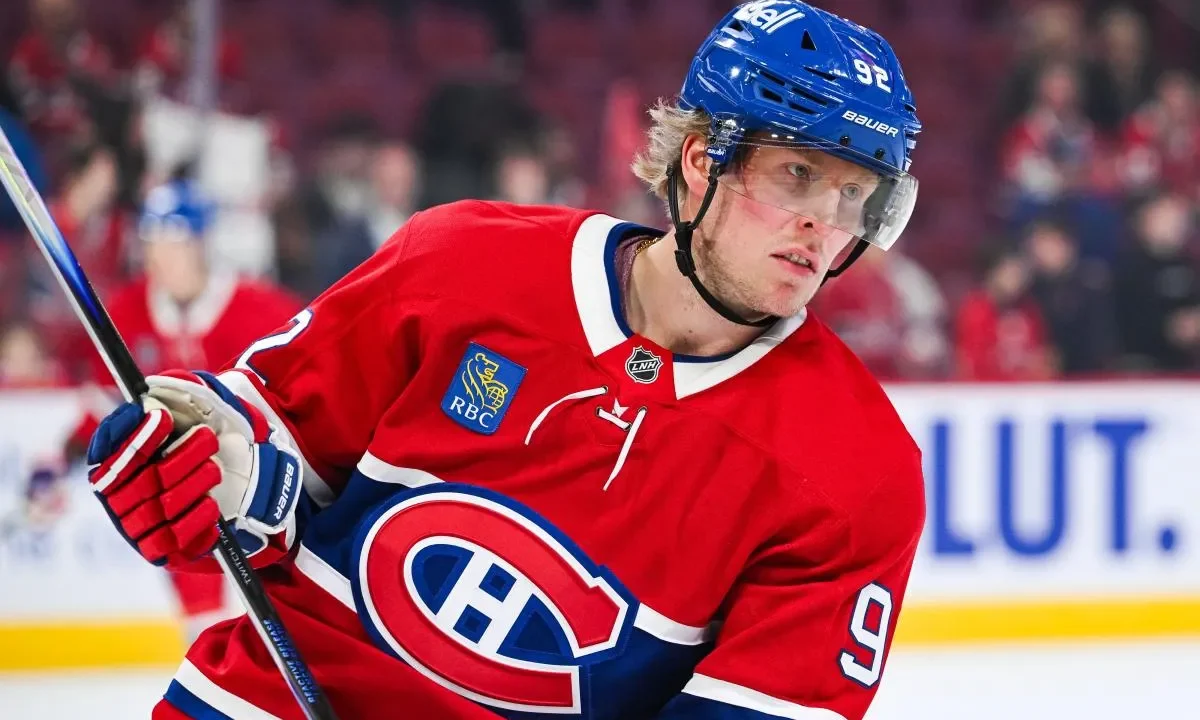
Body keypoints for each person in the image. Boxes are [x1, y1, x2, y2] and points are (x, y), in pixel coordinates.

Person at [85, 3, 925, 718]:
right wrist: (198, 456)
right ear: (703, 161)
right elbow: (272, 428)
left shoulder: (859, 475)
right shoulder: (462, 261)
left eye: (855, 194)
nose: (825, 224)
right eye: (798, 174)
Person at [71, 179, 301, 640]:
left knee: (283, 634)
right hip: (184, 503)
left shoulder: (264, 311)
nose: (161, 257)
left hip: (265, 499)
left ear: (201, 244)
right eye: (153, 243)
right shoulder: (125, 313)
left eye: (174, 243)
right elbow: (104, 410)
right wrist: (58, 460)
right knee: (205, 638)